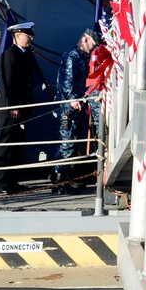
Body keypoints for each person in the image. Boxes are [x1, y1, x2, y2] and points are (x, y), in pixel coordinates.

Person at [51, 28, 100, 193]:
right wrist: (73, 98)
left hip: (77, 109)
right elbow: (66, 81)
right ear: (85, 39)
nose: (93, 49)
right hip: (68, 109)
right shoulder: (71, 56)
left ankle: (67, 177)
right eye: (93, 45)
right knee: (66, 144)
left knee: (72, 143)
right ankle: (59, 182)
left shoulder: (80, 57)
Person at [0, 22, 39, 194]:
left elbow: (26, 84)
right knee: (5, 145)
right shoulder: (9, 55)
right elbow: (7, 83)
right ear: (18, 36)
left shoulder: (25, 55)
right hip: (9, 108)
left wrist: (30, 103)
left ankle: (11, 181)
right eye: (28, 35)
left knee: (16, 145)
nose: (31, 38)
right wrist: (12, 106)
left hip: (22, 108)